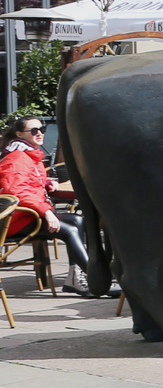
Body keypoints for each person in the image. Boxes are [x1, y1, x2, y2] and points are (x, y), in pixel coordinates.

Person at [0, 115, 93, 295]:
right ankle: (96, 280)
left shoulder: (29, 154)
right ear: (19, 134)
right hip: (16, 219)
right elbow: (16, 191)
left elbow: (28, 183)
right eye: (33, 130)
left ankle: (75, 277)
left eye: (42, 129)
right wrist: (47, 212)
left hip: (30, 214)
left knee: (78, 221)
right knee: (69, 230)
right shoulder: (17, 157)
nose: (40, 133)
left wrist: (46, 182)